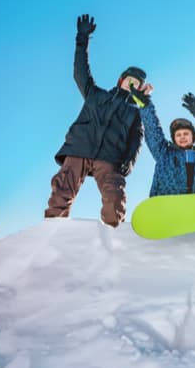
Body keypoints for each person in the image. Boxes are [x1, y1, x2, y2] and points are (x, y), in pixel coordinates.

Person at [45, 14, 147, 227]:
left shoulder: (134, 112)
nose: (132, 85)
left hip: (109, 156)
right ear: (121, 81)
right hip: (79, 148)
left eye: (136, 84)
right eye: (130, 81)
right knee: (63, 189)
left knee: (114, 194)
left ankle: (112, 231)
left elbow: (136, 141)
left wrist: (129, 161)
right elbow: (80, 72)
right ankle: (52, 229)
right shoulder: (96, 94)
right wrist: (82, 40)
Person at [138, 95, 195, 197]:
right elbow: (153, 131)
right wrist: (146, 106)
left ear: (193, 137)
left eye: (186, 134)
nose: (182, 137)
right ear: (174, 139)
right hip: (166, 207)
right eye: (178, 135)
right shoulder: (164, 155)